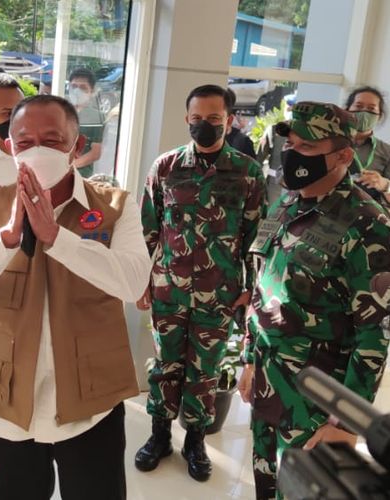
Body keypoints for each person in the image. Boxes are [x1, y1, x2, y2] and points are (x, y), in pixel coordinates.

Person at [0, 94, 152, 500]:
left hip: (93, 405)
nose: (36, 150)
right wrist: (6, 239)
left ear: (78, 147)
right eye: (24, 141)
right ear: (9, 146)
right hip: (11, 404)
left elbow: (134, 283)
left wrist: (57, 238)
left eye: (51, 141)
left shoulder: (116, 208)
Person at [238, 101, 390, 500]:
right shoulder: (287, 203)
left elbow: (374, 337)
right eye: (290, 143)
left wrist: (346, 424)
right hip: (268, 386)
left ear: (343, 155)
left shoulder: (369, 224)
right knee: (265, 486)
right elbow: (263, 285)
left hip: (314, 405)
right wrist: (248, 360)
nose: (291, 154)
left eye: (306, 148)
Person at [135, 84, 267, 481]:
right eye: (197, 119)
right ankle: (159, 435)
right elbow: (147, 229)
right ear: (186, 119)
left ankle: (195, 440)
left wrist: (251, 291)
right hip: (169, 288)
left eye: (213, 119)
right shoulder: (166, 167)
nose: (204, 125)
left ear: (228, 119)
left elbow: (254, 239)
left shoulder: (247, 172)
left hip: (220, 292)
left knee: (205, 370)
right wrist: (140, 279)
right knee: (165, 365)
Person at [344, 86, 390, 204]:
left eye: (371, 108)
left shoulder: (387, 152)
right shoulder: (329, 143)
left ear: (379, 116)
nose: (364, 112)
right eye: (358, 106)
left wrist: (384, 184)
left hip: (364, 216)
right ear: (347, 110)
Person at [67, 68, 104, 178]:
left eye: (83, 87)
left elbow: (95, 153)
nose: (77, 91)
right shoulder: (62, 111)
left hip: (81, 175)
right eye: (74, 86)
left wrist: (70, 167)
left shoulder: (96, 117)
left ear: (92, 91)